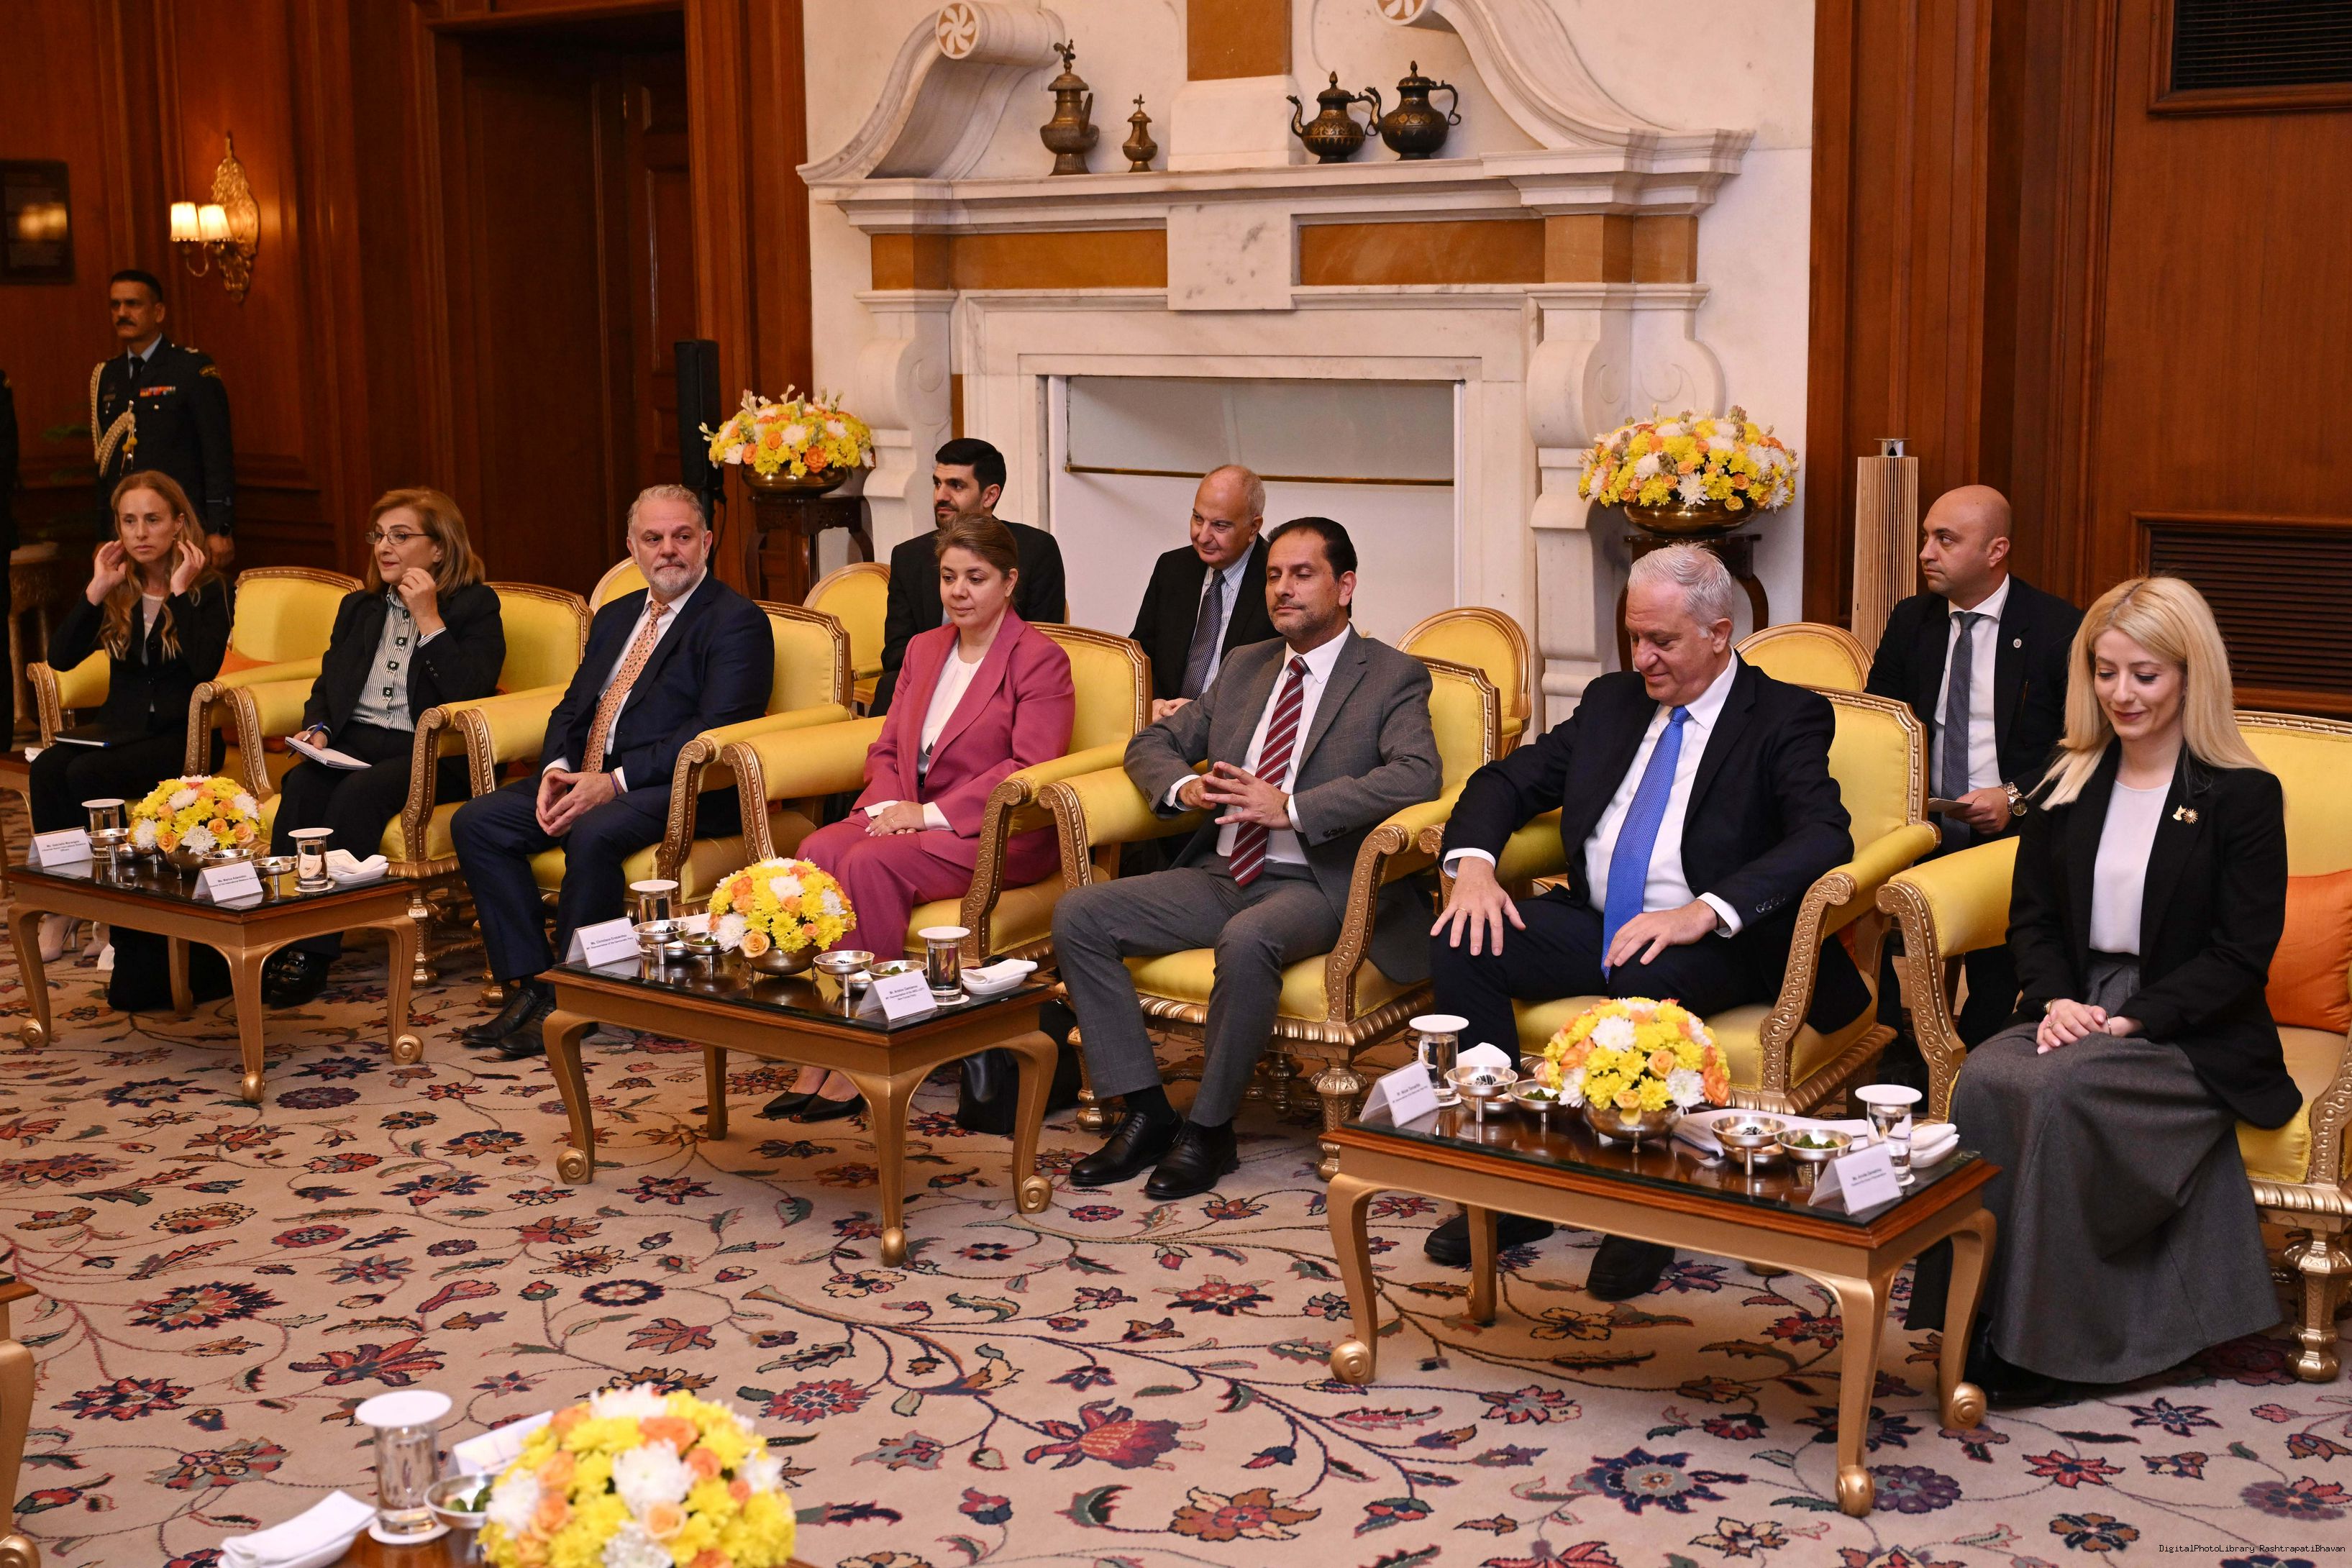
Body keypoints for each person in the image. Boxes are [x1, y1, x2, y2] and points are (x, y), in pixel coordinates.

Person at [1426, 544, 1864, 1287]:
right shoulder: (1612, 702)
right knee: (1466, 940)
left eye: (1662, 640)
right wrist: (1473, 867)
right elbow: (1505, 781)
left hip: (1715, 942)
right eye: (1634, 637)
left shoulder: (1785, 715)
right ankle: (1510, 1180)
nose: (1643, 658)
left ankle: (1643, 1208)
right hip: (1598, 919)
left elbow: (1824, 835)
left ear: (1719, 633)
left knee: (1645, 976)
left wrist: (1704, 910)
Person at [1920, 576, 2295, 1408]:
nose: (2122, 692)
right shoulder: (2069, 777)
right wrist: (2057, 999)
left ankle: (2049, 1344)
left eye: (2145, 674)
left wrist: (2130, 1018)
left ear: (2191, 676)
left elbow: (2240, 954)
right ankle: (1973, 1313)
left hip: (2190, 1024)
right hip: (2075, 1002)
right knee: (1985, 1074)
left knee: (2057, 1088)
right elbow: (2032, 918)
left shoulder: (2240, 795)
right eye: (2105, 671)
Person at [1054, 518, 1441, 1200]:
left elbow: (1417, 774)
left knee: (1249, 937)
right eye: (1274, 575)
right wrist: (1185, 786)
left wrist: (1293, 808)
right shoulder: (1245, 665)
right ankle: (1147, 1112)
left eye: (1303, 574)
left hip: (1318, 882)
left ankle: (1209, 1130)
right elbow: (1153, 742)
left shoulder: (1390, 675)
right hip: (1226, 869)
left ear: (1345, 585)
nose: (1282, 589)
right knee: (1079, 915)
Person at [770, 515, 1076, 1123]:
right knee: (816, 852)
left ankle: (872, 1046)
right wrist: (888, 807)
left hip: (994, 832)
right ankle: (825, 1039)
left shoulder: (1041, 660)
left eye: (976, 578)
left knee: (870, 863)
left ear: (1009, 581)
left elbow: (1029, 767)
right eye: (948, 577)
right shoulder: (924, 648)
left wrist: (927, 815)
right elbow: (888, 747)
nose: (959, 591)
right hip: (907, 811)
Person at [450, 485, 772, 1059]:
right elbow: (574, 705)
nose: (668, 550)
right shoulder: (618, 615)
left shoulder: (735, 621)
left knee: (595, 831)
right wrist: (556, 769)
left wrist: (614, 782)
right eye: (653, 538)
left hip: (680, 787)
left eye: (682, 537)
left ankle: (579, 997)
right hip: (588, 774)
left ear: (706, 543)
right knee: (479, 822)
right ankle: (533, 984)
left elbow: (717, 727)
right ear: (632, 547)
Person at [258, 488, 506, 1006]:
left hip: (435, 752)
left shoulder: (474, 606)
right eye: (379, 535)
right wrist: (319, 728)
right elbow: (328, 685)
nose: (384, 546)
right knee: (303, 784)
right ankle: (276, 933)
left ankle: (315, 951)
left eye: (401, 535)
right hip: (356, 743)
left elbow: (470, 692)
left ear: (439, 548)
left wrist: (428, 618)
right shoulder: (360, 608)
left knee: (358, 795)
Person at [1866, 486, 2079, 1049]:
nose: (1926, 553)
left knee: (2012, 919)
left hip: (2012, 826)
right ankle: (1888, 1044)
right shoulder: (1912, 620)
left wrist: (2013, 796)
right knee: (1844, 891)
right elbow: (1878, 722)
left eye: (1945, 540)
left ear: (1996, 551)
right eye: (1926, 537)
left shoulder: (2055, 628)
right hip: (1918, 825)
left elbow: (2083, 745)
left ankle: (1975, 1050)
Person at [30, 471, 229, 960]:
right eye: (129, 521)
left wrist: (179, 592)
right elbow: (60, 658)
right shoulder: (120, 587)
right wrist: (96, 589)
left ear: (178, 523)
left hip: (182, 736)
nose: (140, 533)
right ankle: (65, 902)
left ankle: (117, 909)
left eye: (153, 520)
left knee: (87, 773)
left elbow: (206, 667)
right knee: (49, 767)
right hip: (119, 730)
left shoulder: (210, 588)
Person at [872, 438, 1065, 714]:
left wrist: (971, 672)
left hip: (1002, 688)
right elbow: (895, 653)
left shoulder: (1035, 550)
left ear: (990, 496)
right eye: (938, 484)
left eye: (956, 485)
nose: (941, 496)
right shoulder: (909, 556)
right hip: (928, 683)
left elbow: (1044, 643)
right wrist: (951, 673)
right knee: (889, 687)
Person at [89, 270, 234, 568]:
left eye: (132, 304)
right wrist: (104, 533)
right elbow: (105, 465)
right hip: (128, 528)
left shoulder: (190, 369)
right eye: (115, 305)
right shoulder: (107, 375)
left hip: (180, 522)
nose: (122, 313)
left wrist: (220, 528)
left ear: (158, 312)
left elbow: (217, 454)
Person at [1131, 465, 1277, 722]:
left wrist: (1206, 713)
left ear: (1253, 527)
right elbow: (1142, 651)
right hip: (1164, 724)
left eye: (1220, 526)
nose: (1202, 536)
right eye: (1198, 519)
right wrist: (1152, 701)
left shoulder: (1276, 579)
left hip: (1233, 729)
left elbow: (1279, 681)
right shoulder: (1172, 568)